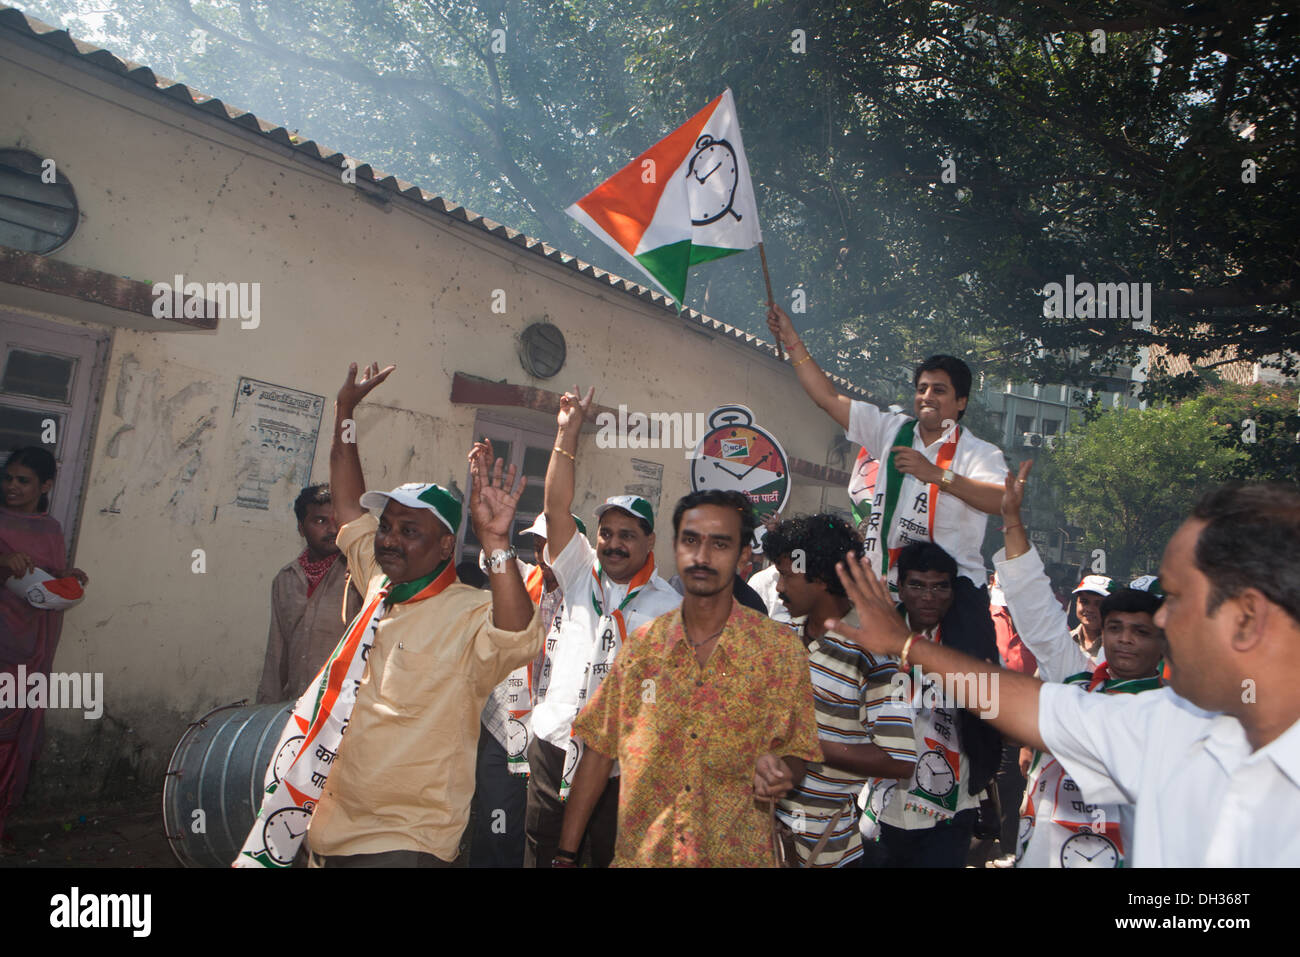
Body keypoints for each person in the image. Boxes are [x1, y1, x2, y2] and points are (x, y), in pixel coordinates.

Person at [832, 470, 1300, 866]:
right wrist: (905, 643)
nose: (1159, 620)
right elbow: (1021, 697)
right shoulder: (1165, 725)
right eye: (1118, 626)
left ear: (1245, 619)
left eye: (1175, 599)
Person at [236, 363, 544, 868]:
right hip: (328, 819)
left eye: (409, 531)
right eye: (389, 526)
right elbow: (348, 504)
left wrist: (495, 544)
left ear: (446, 544)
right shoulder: (381, 585)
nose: (389, 539)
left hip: (405, 836)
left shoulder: (470, 612)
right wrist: (345, 413)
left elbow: (517, 635)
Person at [767, 304, 1006, 794]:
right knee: (846, 661)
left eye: (939, 390)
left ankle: (982, 783)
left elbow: (1003, 501)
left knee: (977, 675)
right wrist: (791, 339)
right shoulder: (889, 429)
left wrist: (939, 474)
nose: (926, 396)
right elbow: (825, 396)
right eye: (921, 388)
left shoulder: (980, 453)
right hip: (883, 585)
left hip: (953, 584)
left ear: (960, 402)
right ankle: (830, 761)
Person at [555, 490, 823, 866]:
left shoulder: (779, 653)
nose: (702, 556)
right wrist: (565, 855)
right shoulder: (643, 648)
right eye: (691, 540)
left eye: (720, 543)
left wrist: (782, 772)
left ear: (743, 554)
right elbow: (599, 753)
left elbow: (797, 752)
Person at [525, 386, 682, 867]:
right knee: (543, 854)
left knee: (605, 857)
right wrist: (566, 433)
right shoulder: (577, 571)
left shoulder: (670, 607)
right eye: (606, 533)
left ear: (649, 540)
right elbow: (555, 507)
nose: (613, 544)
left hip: (623, 764)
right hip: (555, 742)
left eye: (627, 535)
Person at [992, 467, 1164, 867]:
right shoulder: (1078, 671)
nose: (1124, 638)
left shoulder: (1175, 711)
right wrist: (1012, 521)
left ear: (1165, 638)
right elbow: (1033, 601)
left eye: (1140, 630)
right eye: (1116, 625)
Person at [764, 514, 916, 866]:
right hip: (761, 838)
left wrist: (806, 743)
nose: (779, 588)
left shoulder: (873, 654)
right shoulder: (779, 633)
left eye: (786, 575)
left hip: (826, 851)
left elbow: (899, 759)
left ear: (818, 577)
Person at [855, 541, 1001, 867]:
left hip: (952, 806)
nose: (928, 596)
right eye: (917, 585)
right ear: (901, 587)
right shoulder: (875, 637)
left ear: (952, 591)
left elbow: (993, 712)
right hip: (885, 801)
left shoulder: (969, 640)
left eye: (939, 587)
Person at [470, 507, 584, 868]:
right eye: (537, 546)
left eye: (550, 546)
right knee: (495, 821)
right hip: (507, 728)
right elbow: (494, 561)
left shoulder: (588, 599)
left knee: (537, 830)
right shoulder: (521, 582)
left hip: (554, 739)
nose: (542, 555)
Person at [0, 447, 88, 853]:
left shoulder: (50, 528)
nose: (12, 487)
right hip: (3, 639)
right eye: (9, 478)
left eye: (23, 481)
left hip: (31, 646)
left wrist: (69, 577)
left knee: (12, 737)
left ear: (45, 486)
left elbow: (47, 578)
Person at [256, 484, 363, 704]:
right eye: (320, 521)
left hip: (344, 710)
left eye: (336, 521)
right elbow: (277, 654)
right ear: (301, 527)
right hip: (296, 707)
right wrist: (265, 712)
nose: (332, 530)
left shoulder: (358, 575)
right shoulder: (285, 579)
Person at [1069, 574, 1115, 669]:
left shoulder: (1119, 648)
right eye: (1084, 601)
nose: (1090, 609)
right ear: (1076, 603)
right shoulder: (1064, 641)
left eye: (1099, 604)